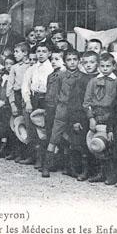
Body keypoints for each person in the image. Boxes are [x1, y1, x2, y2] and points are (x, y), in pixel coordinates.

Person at [82, 52, 117, 183]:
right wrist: (91, 118)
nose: (105, 69)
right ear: (98, 66)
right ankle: (99, 172)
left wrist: (111, 121)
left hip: (110, 117)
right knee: (95, 144)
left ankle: (111, 174)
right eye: (102, 66)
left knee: (109, 145)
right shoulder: (93, 81)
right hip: (95, 116)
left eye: (108, 66)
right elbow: (86, 102)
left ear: (113, 66)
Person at [20, 42, 53, 168]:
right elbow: (25, 87)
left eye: (44, 51)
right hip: (33, 99)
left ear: (49, 53)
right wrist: (28, 102)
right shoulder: (31, 69)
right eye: (38, 51)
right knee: (31, 128)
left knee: (43, 129)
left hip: (46, 100)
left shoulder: (51, 68)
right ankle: (34, 156)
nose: (41, 54)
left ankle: (44, 159)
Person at [70, 51, 100, 181]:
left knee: (98, 142)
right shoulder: (80, 80)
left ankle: (99, 172)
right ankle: (85, 170)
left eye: (92, 62)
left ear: (97, 63)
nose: (88, 65)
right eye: (86, 62)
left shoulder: (101, 78)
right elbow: (76, 101)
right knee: (84, 144)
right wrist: (76, 120)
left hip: (99, 116)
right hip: (83, 116)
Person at [40, 50, 65, 178]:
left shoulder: (63, 75)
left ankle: (48, 165)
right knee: (49, 133)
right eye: (52, 59)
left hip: (59, 108)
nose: (53, 61)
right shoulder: (51, 75)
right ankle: (53, 162)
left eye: (57, 59)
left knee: (56, 137)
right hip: (49, 108)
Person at [6, 42, 30, 162]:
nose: (15, 54)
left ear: (25, 53)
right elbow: (9, 87)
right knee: (15, 124)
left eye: (17, 52)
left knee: (26, 124)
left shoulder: (31, 66)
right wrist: (12, 103)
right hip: (16, 96)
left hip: (27, 97)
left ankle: (26, 153)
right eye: (14, 52)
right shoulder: (14, 68)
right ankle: (15, 152)